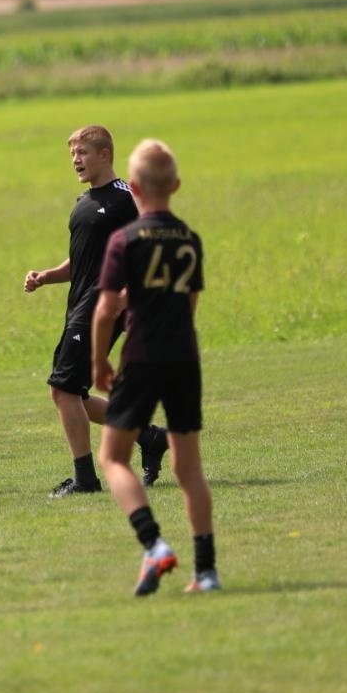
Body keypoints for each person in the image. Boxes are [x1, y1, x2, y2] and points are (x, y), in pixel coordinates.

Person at [91, 139, 219, 595]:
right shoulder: (189, 238)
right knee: (190, 469)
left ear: (136, 188)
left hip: (142, 357)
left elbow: (106, 309)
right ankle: (205, 572)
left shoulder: (125, 240)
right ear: (177, 185)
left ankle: (154, 544)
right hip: (184, 357)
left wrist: (99, 359)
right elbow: (190, 302)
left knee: (112, 456)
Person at [24, 125, 170, 497]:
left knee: (62, 390)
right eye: (73, 154)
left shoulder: (128, 197)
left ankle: (85, 480)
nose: (76, 160)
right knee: (72, 393)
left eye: (83, 153)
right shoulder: (84, 203)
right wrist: (46, 276)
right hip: (80, 303)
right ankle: (149, 436)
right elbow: (80, 261)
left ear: (105, 154)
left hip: (105, 305)